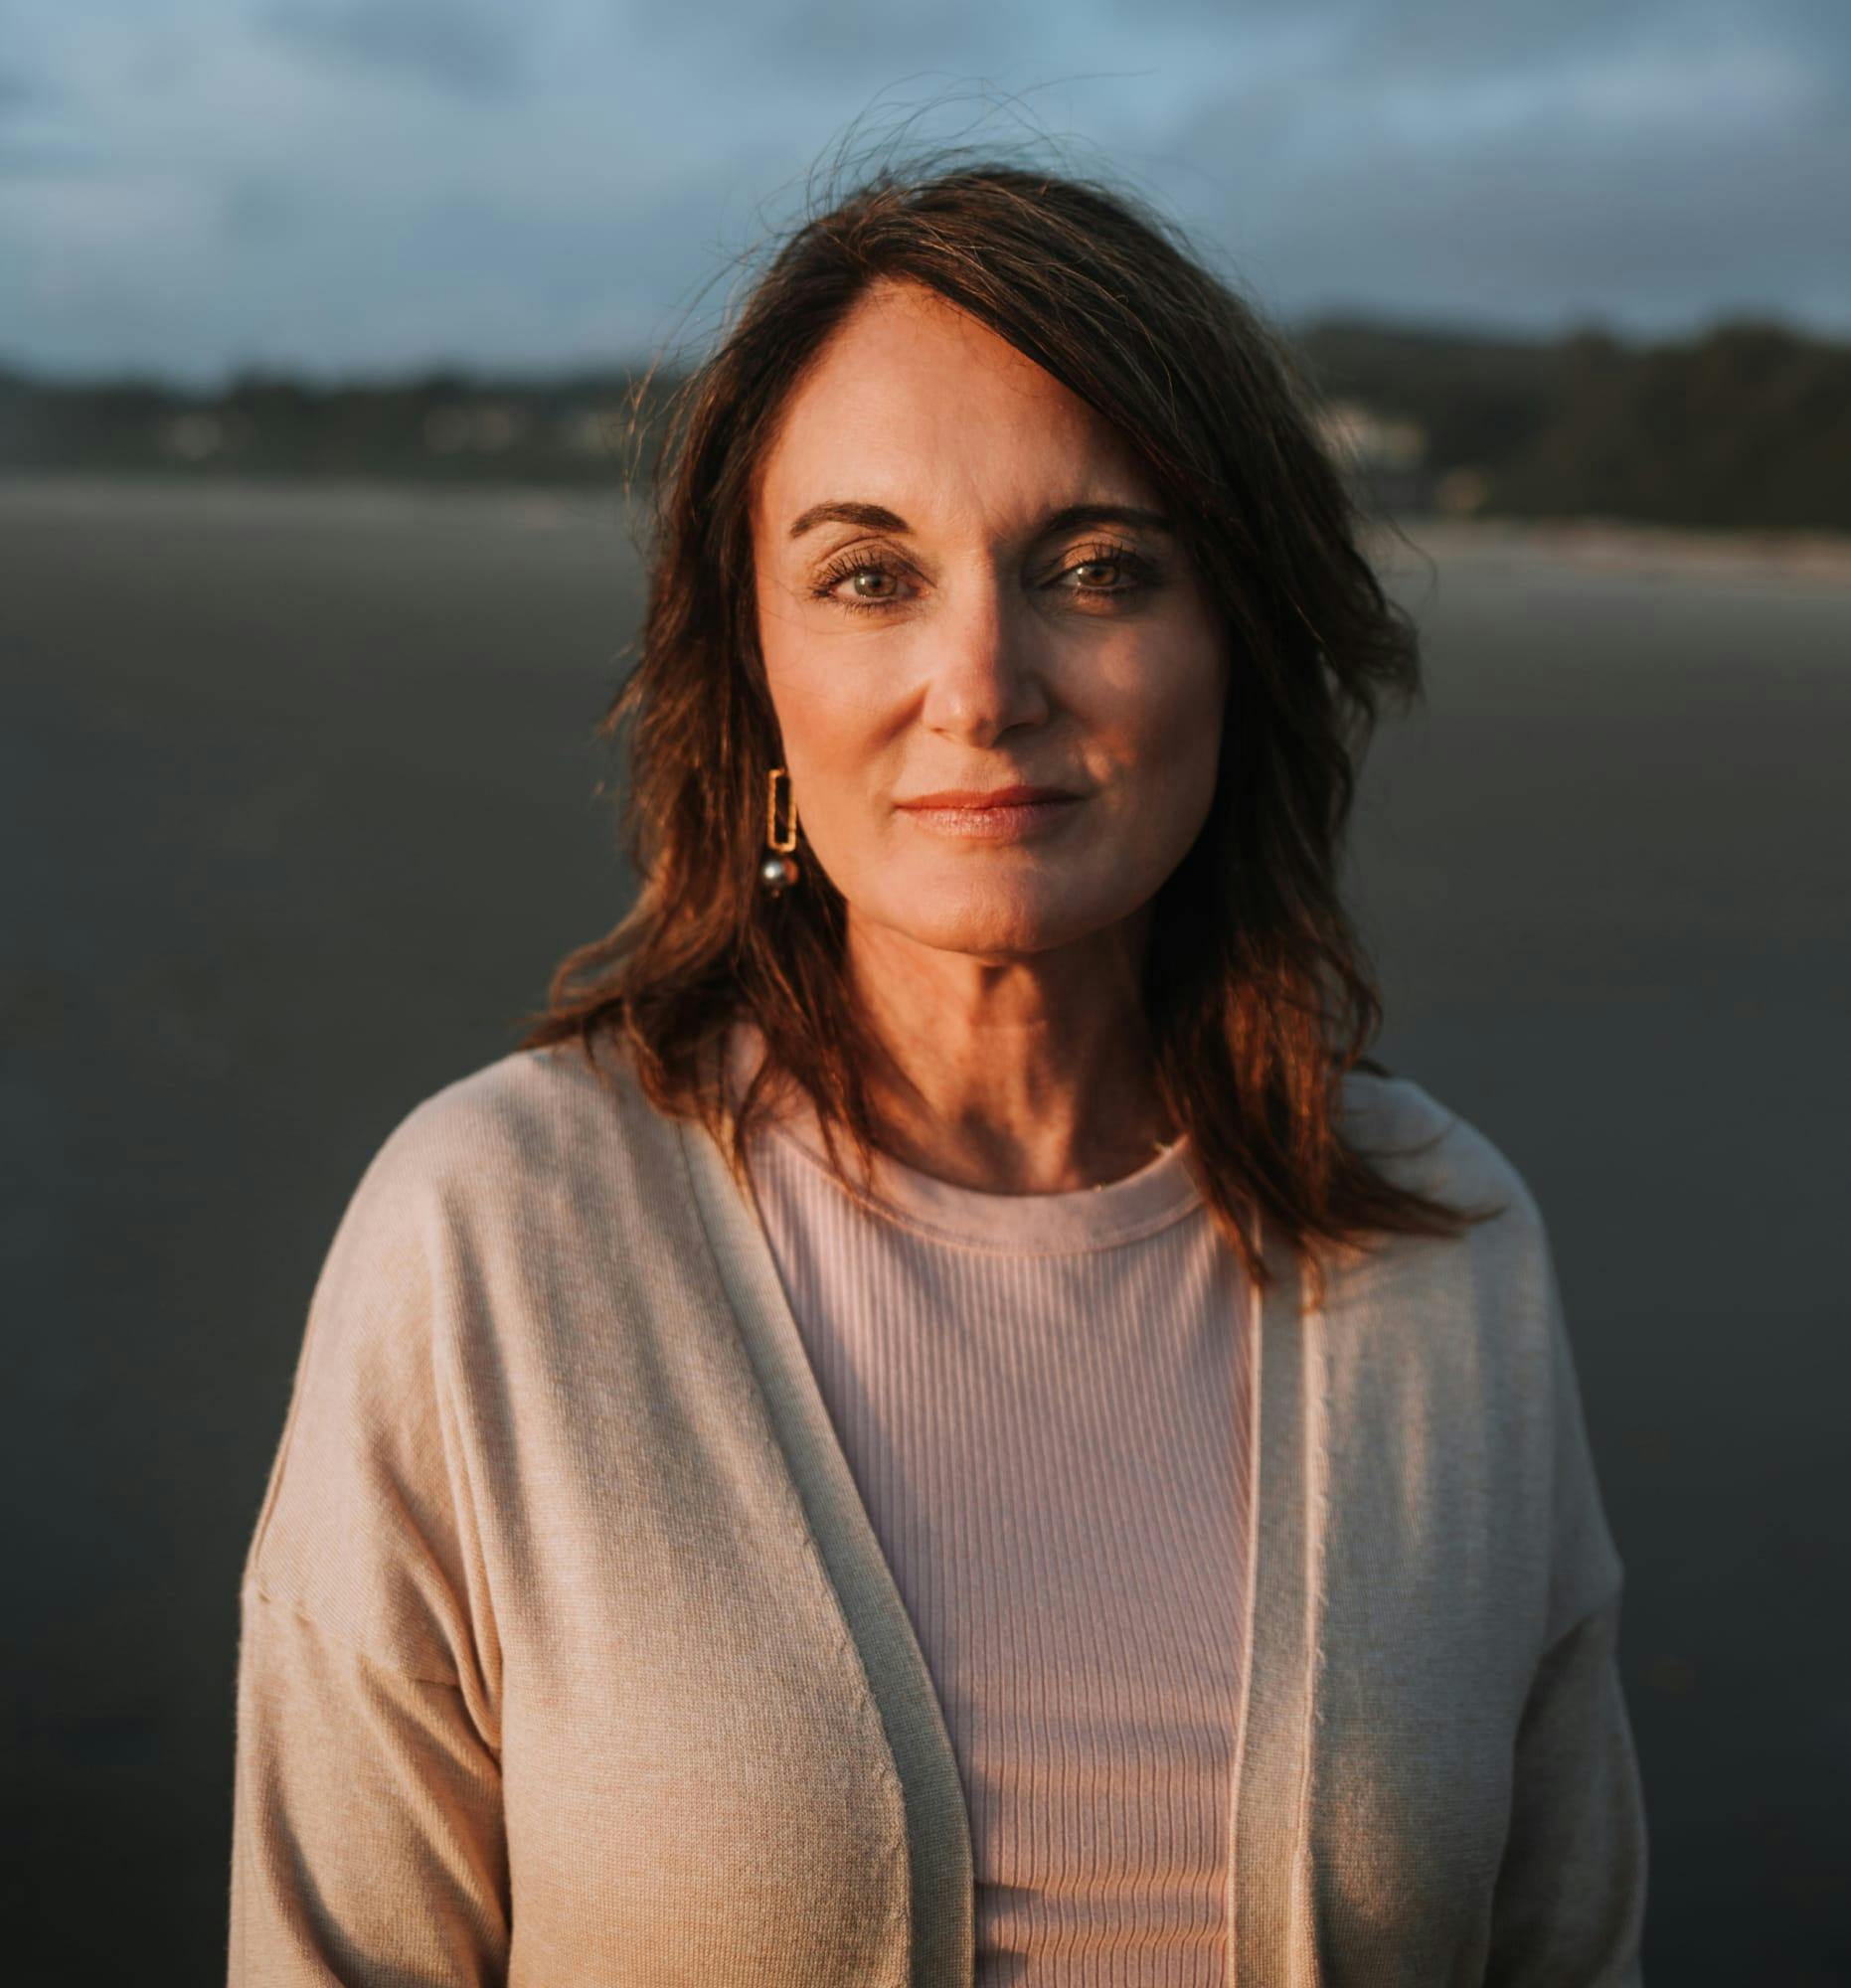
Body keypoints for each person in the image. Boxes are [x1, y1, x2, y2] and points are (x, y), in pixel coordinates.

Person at [229, 156, 1648, 1986]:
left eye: (1096, 569)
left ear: (1235, 644)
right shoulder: (495, 1238)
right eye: (869, 575)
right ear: (755, 675)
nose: (980, 685)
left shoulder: (1449, 1253)